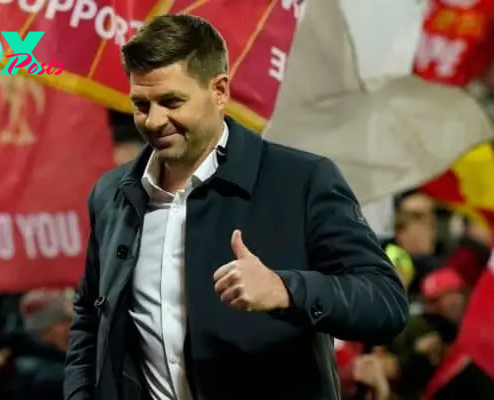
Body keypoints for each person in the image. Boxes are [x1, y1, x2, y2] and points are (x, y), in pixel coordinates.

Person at [64, 14, 408, 400]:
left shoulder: (302, 180)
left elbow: (386, 303)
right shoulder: (112, 193)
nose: (154, 120)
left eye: (171, 101)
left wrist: (286, 290)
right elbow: (92, 318)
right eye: (141, 104)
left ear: (220, 90)